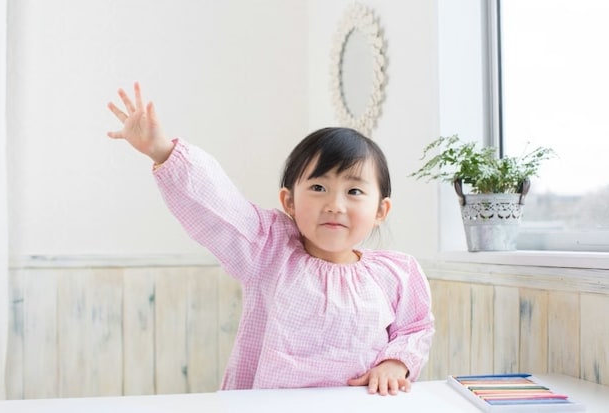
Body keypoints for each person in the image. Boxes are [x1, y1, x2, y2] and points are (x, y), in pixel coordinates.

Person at [107, 82, 434, 396]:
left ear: (380, 210)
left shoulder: (396, 274)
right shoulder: (268, 250)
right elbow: (218, 204)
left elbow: (415, 328)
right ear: (289, 201)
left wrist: (395, 362)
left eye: (354, 191)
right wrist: (162, 151)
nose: (335, 205)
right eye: (318, 187)